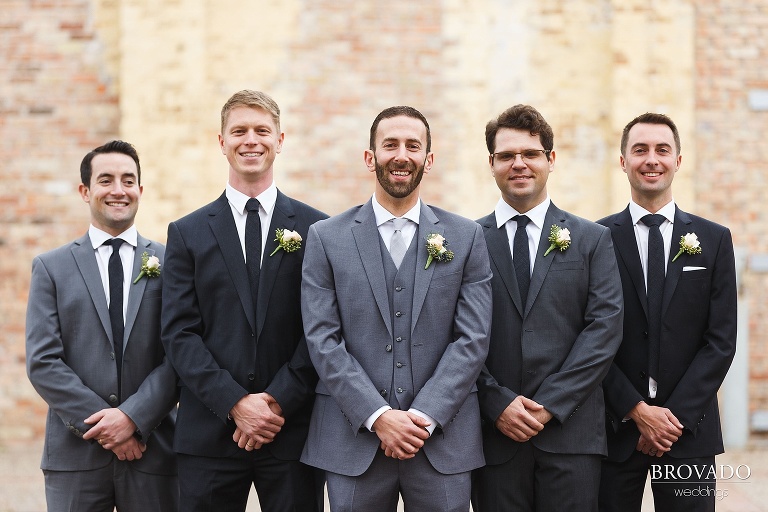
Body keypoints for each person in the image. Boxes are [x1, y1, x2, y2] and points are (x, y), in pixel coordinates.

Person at [300, 105, 492, 511]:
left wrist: (425, 415)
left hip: (442, 441)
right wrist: (377, 415)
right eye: (390, 144)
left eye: (413, 145)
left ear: (429, 159)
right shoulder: (326, 238)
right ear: (370, 157)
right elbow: (322, 339)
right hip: (354, 441)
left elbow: (472, 338)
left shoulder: (466, 236)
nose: (401, 155)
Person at [160, 90, 327, 512]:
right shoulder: (187, 232)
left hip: (289, 431)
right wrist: (235, 404)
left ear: (280, 139)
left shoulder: (317, 228)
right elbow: (179, 332)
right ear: (221, 142)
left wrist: (274, 403)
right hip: (209, 433)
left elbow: (321, 328)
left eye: (261, 130)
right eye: (239, 131)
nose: (250, 140)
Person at [472, 104, 624, 511]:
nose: (518, 164)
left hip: (571, 436)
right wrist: (495, 402)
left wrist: (551, 405)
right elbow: (455, 333)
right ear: (492, 164)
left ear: (550, 160)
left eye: (530, 154)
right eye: (506, 156)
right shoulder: (467, 241)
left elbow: (604, 329)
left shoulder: (592, 240)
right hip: (493, 436)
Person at [25, 140, 178, 511]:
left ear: (141, 190)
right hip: (75, 458)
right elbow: (43, 362)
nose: (118, 190)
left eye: (128, 180)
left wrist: (133, 418)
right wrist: (108, 430)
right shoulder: (51, 268)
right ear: (85, 191)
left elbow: (180, 353)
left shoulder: (171, 261)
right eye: (105, 180)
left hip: (153, 453)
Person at [597, 112, 737, 512]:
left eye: (662, 150)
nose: (651, 159)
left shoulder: (714, 240)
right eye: (639, 150)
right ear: (623, 161)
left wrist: (670, 418)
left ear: (679, 160)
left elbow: (721, 342)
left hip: (688, 432)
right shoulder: (596, 239)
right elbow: (589, 337)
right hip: (615, 429)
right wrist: (636, 411)